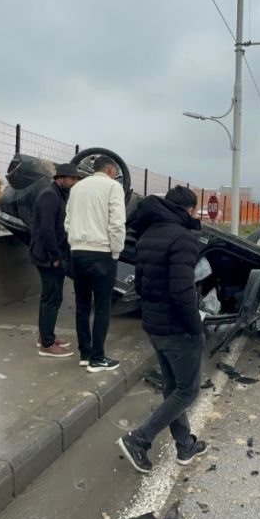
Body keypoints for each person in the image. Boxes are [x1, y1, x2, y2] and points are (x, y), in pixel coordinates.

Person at [117, 186, 207, 473]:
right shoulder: (183, 237)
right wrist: (195, 326)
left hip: (154, 325)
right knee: (187, 391)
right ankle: (139, 439)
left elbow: (140, 284)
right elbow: (182, 291)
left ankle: (185, 445)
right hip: (177, 328)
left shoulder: (147, 234)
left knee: (172, 388)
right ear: (189, 209)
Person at [65, 155, 126, 373]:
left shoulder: (77, 188)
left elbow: (68, 221)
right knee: (102, 306)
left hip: (77, 252)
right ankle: (97, 357)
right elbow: (117, 223)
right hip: (101, 253)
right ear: (110, 170)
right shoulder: (113, 187)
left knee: (82, 305)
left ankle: (85, 353)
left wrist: (75, 242)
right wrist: (116, 251)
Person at [31, 163, 82, 358]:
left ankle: (45, 336)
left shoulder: (58, 194)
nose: (74, 182)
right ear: (61, 178)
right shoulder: (49, 196)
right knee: (52, 298)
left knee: (52, 297)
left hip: (51, 255)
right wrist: (56, 257)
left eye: (76, 179)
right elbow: (46, 230)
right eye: (72, 178)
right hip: (48, 257)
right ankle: (47, 344)